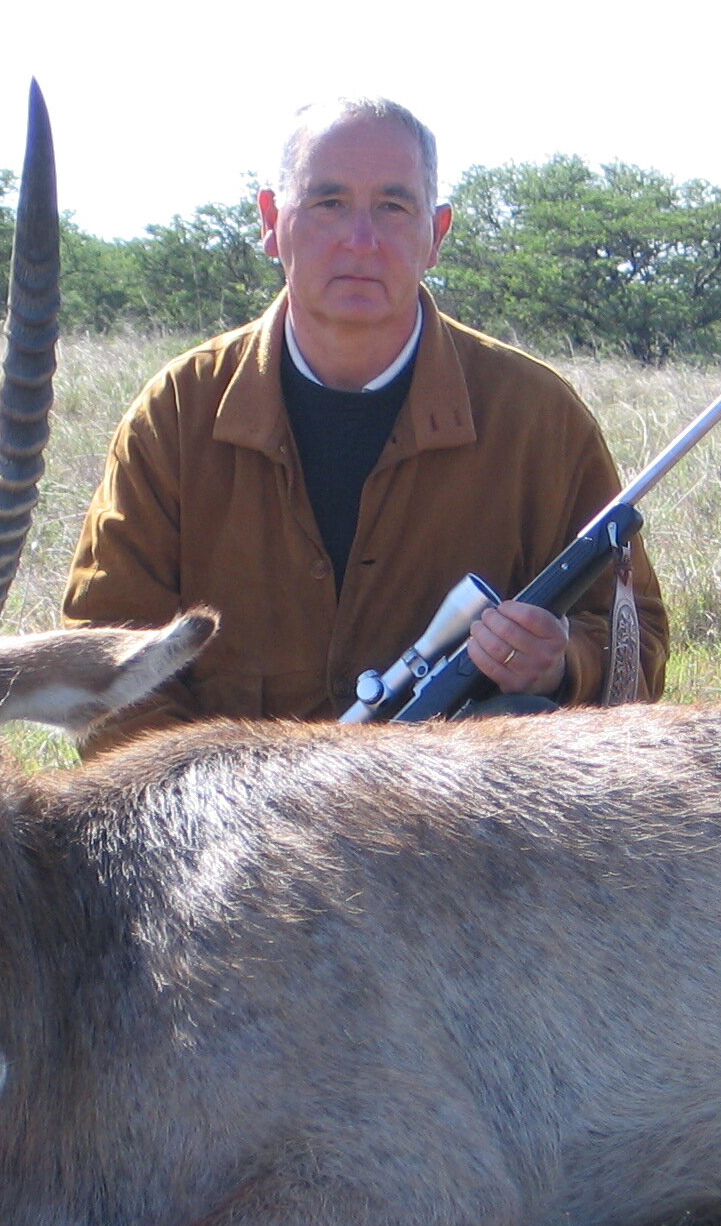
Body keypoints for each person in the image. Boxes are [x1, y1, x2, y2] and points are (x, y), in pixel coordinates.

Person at [61, 97, 668, 757]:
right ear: (271, 222)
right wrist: (214, 812)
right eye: (328, 203)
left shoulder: (538, 419)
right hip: (229, 840)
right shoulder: (177, 414)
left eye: (392, 206)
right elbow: (105, 662)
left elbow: (640, 645)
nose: (360, 239)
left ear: (436, 234)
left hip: (462, 834)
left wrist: (562, 664)